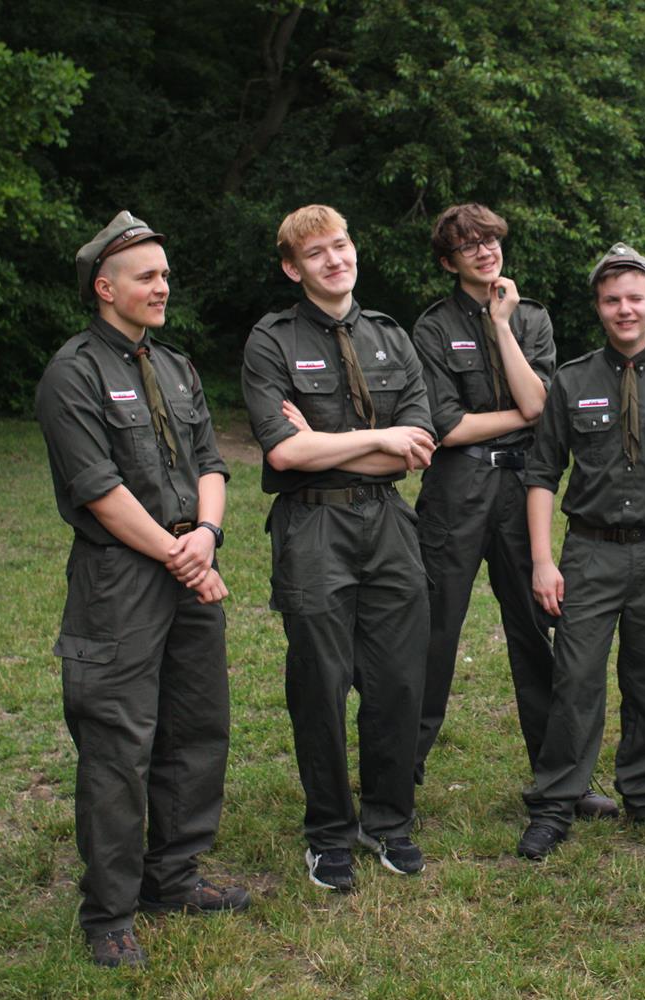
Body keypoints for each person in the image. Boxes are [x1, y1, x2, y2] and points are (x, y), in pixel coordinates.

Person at [36, 210, 247, 968]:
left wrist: (207, 535)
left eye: (165, 275)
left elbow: (211, 462)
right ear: (105, 287)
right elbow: (98, 490)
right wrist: (180, 555)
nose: (163, 287)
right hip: (120, 579)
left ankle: (174, 878)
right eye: (147, 277)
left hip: (189, 561)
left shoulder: (177, 367)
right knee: (118, 745)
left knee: (195, 728)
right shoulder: (73, 374)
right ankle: (110, 912)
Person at [241, 204, 436, 891]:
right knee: (319, 686)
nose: (335, 259)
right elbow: (284, 453)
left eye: (342, 244)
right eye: (316, 252)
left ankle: (389, 822)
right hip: (312, 528)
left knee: (398, 682)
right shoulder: (271, 341)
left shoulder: (390, 336)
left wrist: (326, 443)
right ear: (293, 268)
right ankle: (328, 833)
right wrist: (378, 437)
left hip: (388, 525)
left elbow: (418, 447)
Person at [410, 204, 617, 819]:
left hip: (522, 489)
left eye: (491, 240)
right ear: (448, 262)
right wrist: (524, 414)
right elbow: (446, 426)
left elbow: (542, 404)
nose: (484, 252)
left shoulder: (531, 319)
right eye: (468, 245)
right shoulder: (433, 328)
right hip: (456, 492)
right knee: (432, 634)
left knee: (536, 629)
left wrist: (502, 326)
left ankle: (562, 779)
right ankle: (400, 779)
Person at [516, 243, 645, 859]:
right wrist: (543, 560)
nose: (624, 309)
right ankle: (557, 802)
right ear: (599, 308)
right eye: (612, 300)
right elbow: (542, 473)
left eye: (635, 298)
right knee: (575, 680)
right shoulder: (571, 379)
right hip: (590, 553)